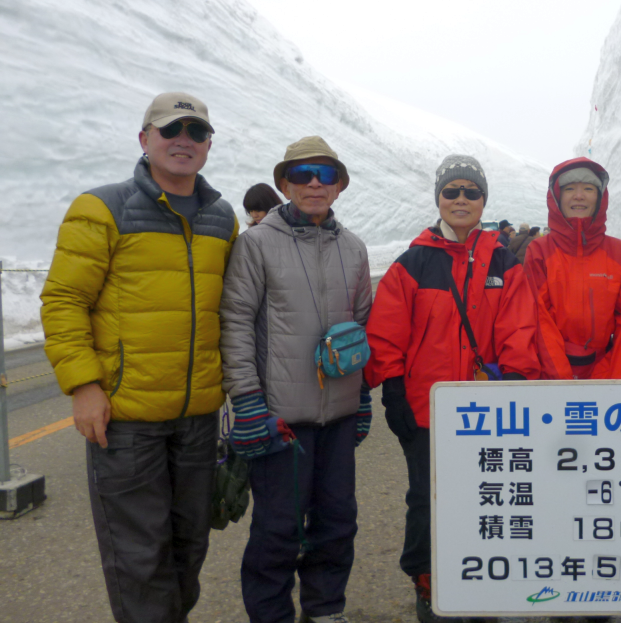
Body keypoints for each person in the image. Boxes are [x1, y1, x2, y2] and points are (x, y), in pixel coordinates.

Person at [40, 92, 237, 623]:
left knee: (189, 548)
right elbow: (63, 300)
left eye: (196, 132)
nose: (184, 140)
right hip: (126, 420)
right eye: (171, 129)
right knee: (140, 558)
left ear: (208, 145)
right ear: (144, 139)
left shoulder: (222, 218)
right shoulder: (101, 208)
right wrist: (85, 386)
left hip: (197, 418)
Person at [364, 154, 540, 623]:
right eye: (451, 191)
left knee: (486, 494)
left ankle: (483, 578)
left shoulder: (503, 259)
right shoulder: (413, 263)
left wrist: (518, 381)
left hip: (488, 410)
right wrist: (394, 390)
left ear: (484, 200)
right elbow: (386, 333)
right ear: (438, 198)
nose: (461, 200)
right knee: (426, 495)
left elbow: (518, 328)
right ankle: (428, 581)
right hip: (428, 408)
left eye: (471, 192)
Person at [220, 136, 372, 623]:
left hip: (340, 416)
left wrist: (363, 395)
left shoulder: (353, 248)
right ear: (285, 183)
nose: (314, 183)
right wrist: (246, 400)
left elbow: (364, 328)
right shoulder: (257, 244)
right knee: (278, 530)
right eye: (303, 173)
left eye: (325, 175)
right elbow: (237, 321)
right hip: (278, 419)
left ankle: (326, 611)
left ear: (339, 187)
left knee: (336, 523)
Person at [523, 157, 621, 380]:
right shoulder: (539, 251)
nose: (579, 196)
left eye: (588, 188)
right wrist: (561, 381)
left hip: (605, 373)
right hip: (551, 376)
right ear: (557, 198)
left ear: (600, 197)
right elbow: (539, 320)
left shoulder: (619, 252)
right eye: (569, 189)